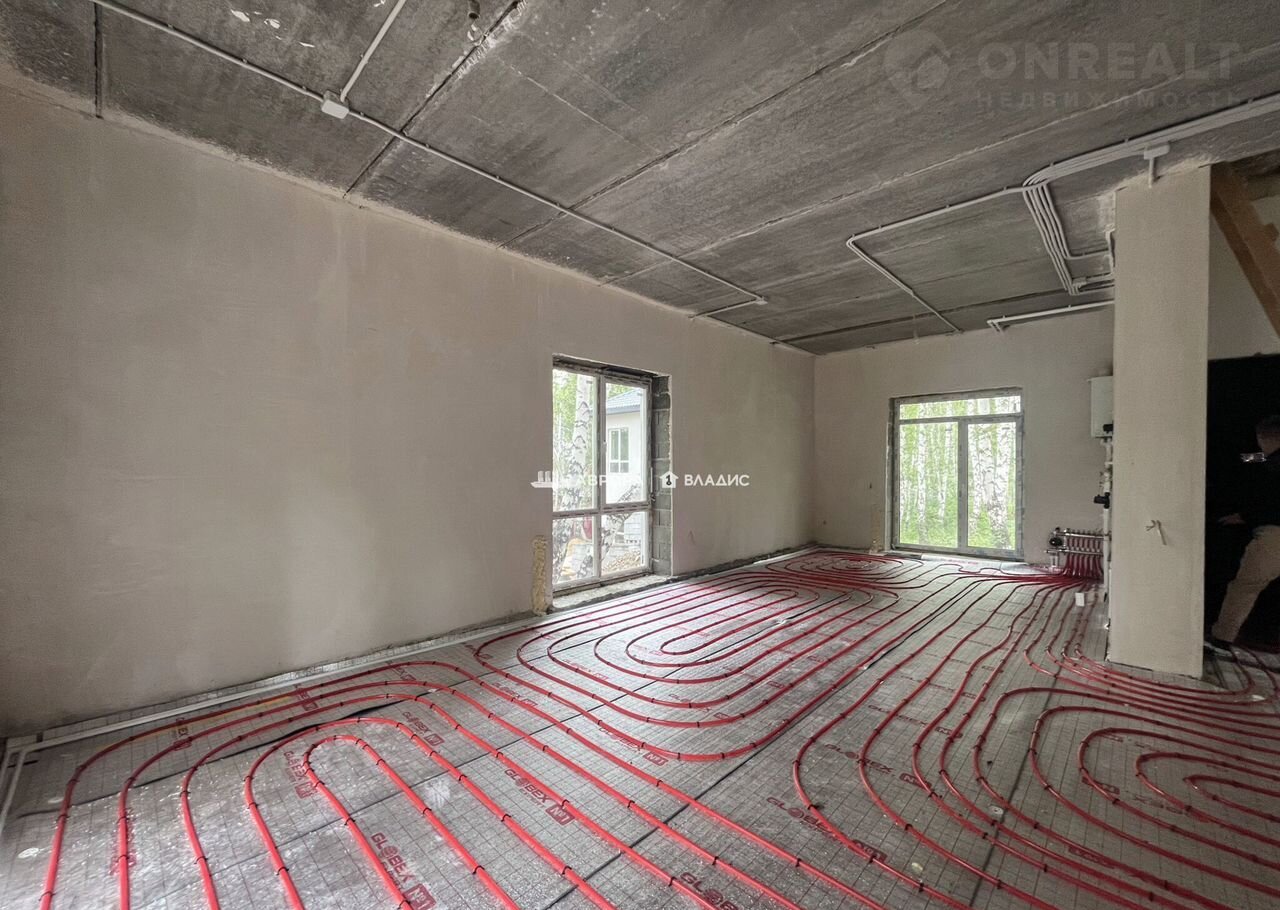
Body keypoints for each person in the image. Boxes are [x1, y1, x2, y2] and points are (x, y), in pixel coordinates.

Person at [1207, 414, 1280, 652]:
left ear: (1262, 437)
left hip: (1274, 534)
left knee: (1246, 585)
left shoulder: (1273, 462)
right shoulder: (1267, 458)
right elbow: (1249, 458)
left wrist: (1244, 516)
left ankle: (1222, 637)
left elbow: (1269, 502)